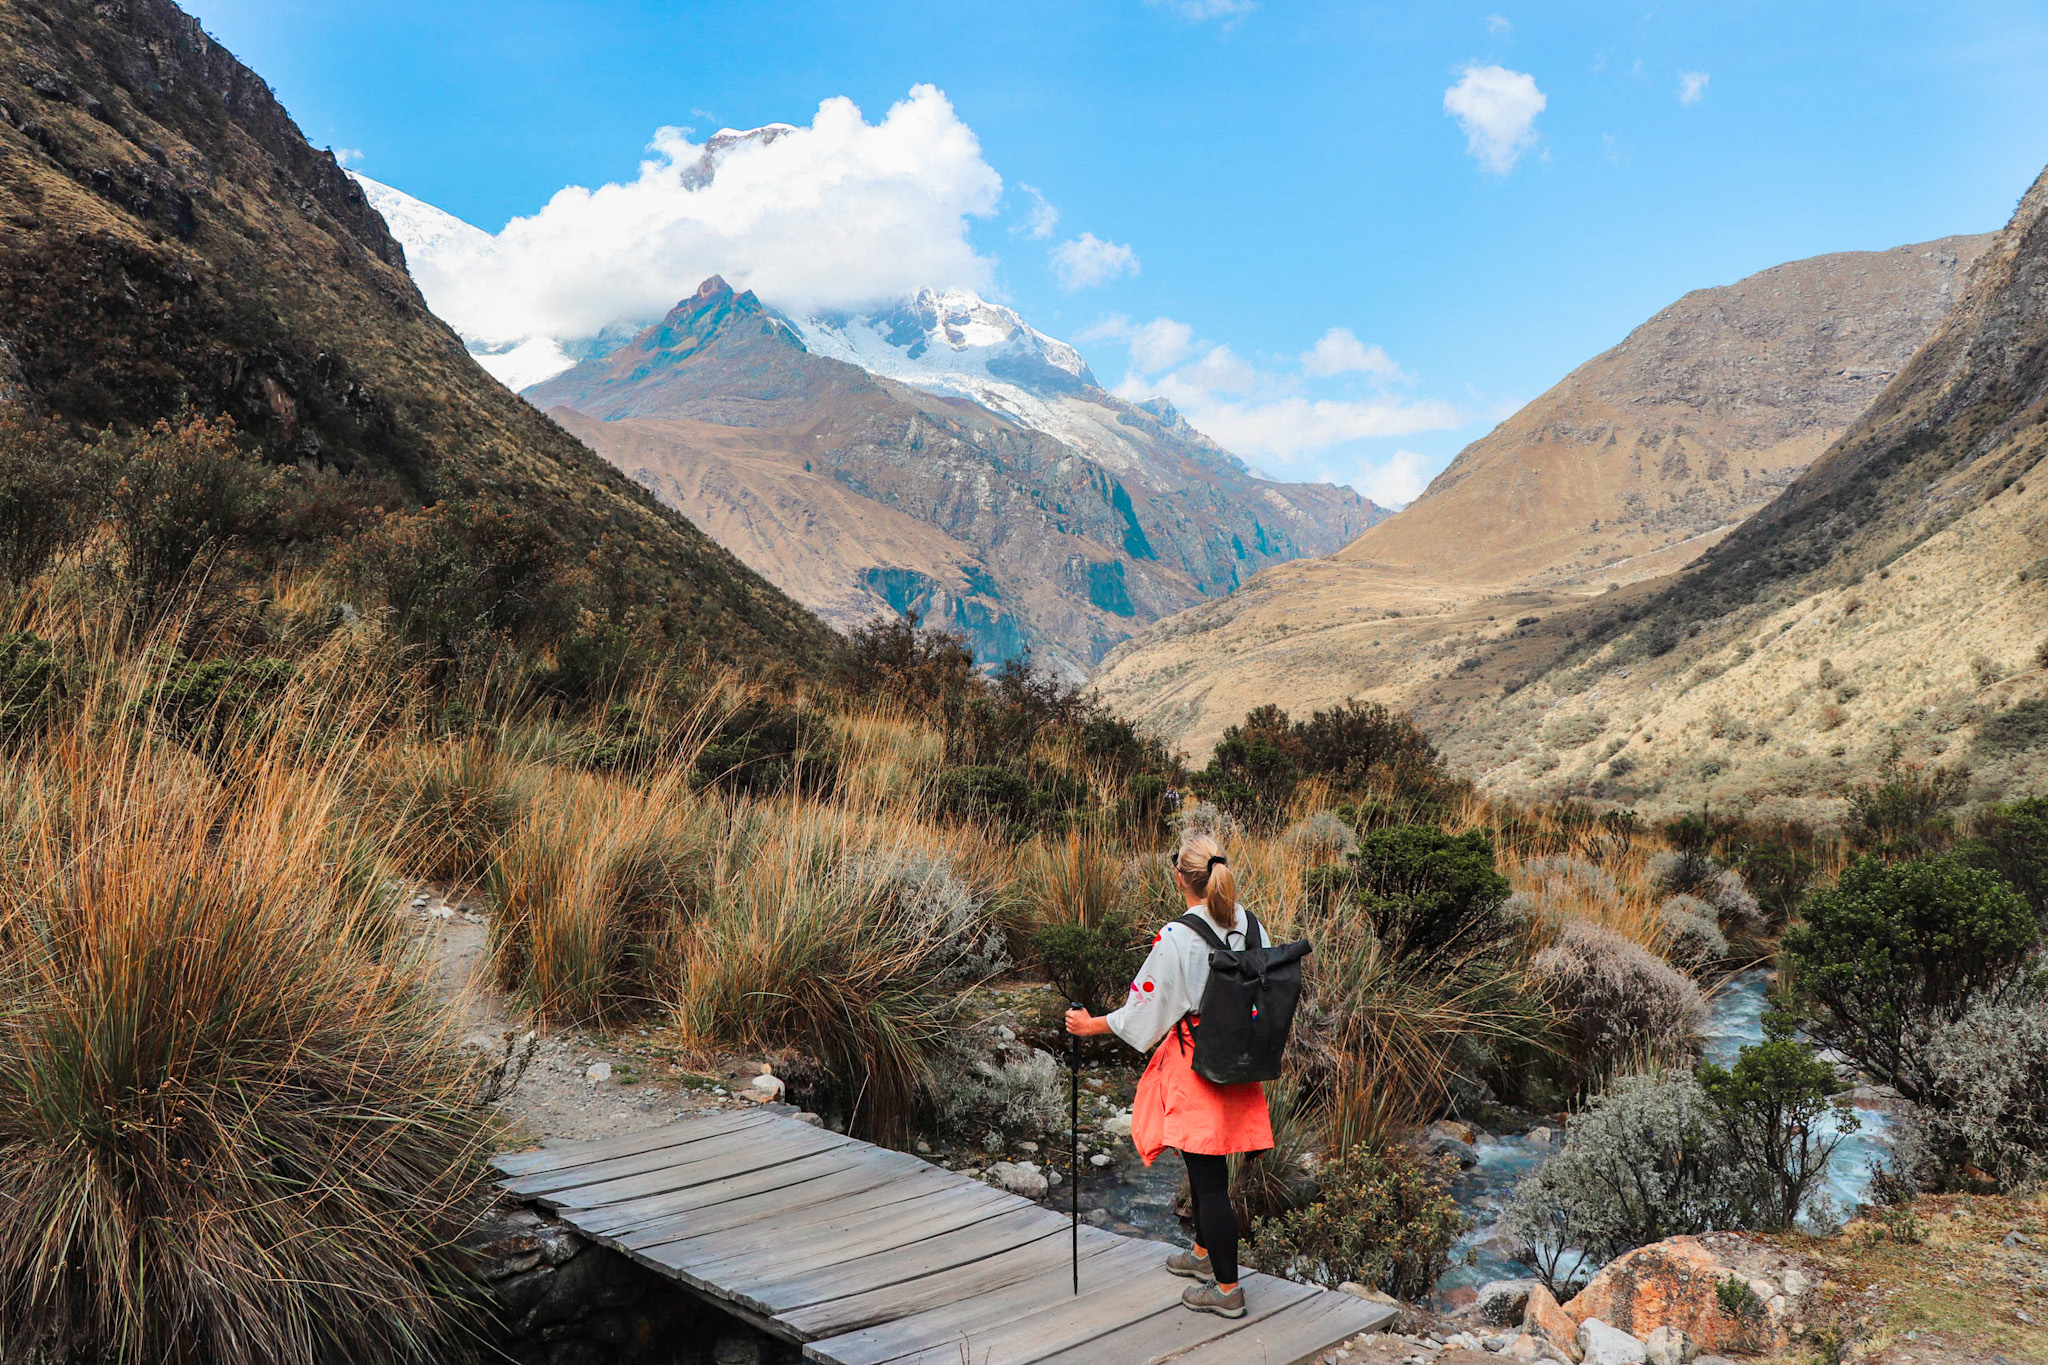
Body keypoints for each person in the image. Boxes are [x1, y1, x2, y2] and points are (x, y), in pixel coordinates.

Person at [1065, 832, 1272, 1319]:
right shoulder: (1252, 924)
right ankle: (1202, 1258)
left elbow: (1145, 1008)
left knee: (1208, 1176)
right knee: (1204, 1167)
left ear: (1180, 878)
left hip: (1198, 1070)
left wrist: (1090, 1024)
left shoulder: (1178, 936)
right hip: (1238, 1065)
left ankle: (1226, 1291)